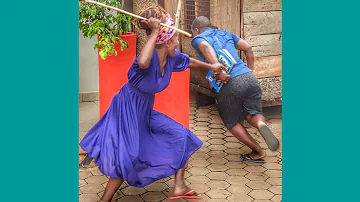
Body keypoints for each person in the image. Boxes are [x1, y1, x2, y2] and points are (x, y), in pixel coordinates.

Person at [79, 7, 227, 202]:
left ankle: (179, 186)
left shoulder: (172, 58)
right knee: (128, 156)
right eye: (174, 39)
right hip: (126, 109)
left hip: (144, 110)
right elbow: (142, 62)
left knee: (180, 135)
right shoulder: (143, 63)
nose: (177, 42)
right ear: (166, 42)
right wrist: (155, 31)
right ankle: (105, 199)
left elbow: (190, 62)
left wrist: (212, 66)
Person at [190, 16, 279, 163]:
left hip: (229, 82)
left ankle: (258, 152)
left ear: (197, 29)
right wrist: (250, 71)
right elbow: (248, 49)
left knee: (231, 122)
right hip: (248, 77)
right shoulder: (226, 33)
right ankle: (262, 125)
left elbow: (206, 47)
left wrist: (218, 70)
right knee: (252, 114)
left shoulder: (198, 38)